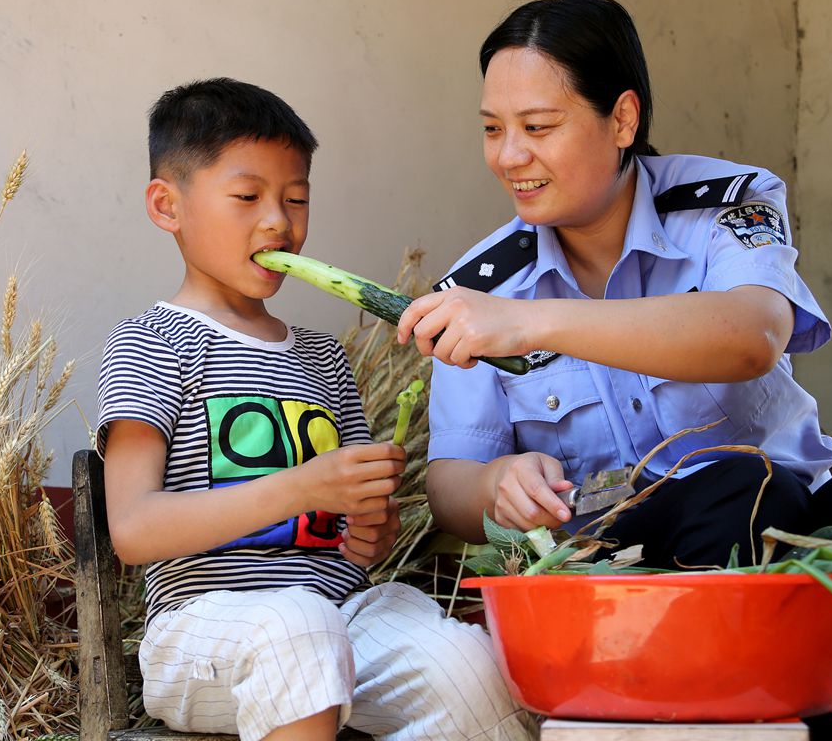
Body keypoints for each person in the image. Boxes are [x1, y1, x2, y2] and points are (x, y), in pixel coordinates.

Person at [396, 0, 832, 740]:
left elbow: (753, 334)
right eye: (492, 129)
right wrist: (495, 484)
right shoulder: (480, 286)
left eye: (538, 128)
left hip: (803, 520)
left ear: (623, 119)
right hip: (631, 573)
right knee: (734, 487)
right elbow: (449, 485)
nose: (510, 155)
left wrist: (533, 321)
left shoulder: (726, 202)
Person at [96, 78, 537, 741]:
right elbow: (132, 529)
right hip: (204, 629)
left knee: (463, 664)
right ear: (168, 206)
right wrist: (299, 486)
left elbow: (352, 532)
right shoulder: (152, 343)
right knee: (299, 627)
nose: (279, 222)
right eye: (247, 197)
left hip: (338, 614)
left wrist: (367, 528)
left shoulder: (323, 358)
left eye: (296, 199)